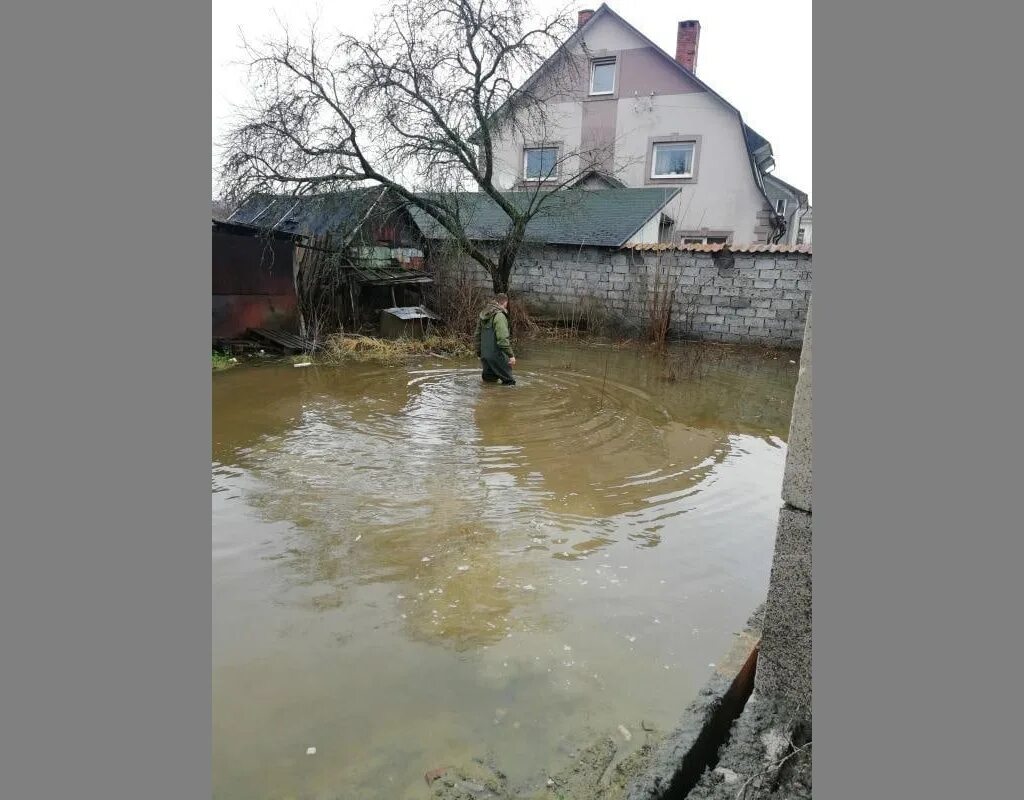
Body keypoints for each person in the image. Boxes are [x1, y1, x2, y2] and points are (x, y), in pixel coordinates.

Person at [475, 293, 517, 385]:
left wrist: (479, 353)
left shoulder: (483, 314)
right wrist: (511, 355)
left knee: (489, 383)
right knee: (510, 383)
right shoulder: (500, 316)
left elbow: (477, 336)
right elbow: (502, 339)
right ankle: (505, 399)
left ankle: (488, 398)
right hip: (497, 355)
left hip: (485, 356)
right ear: (505, 302)